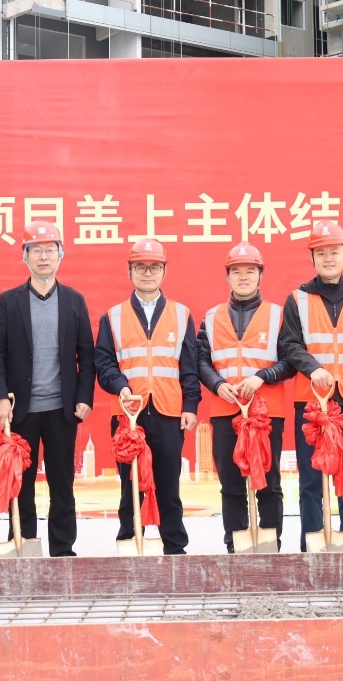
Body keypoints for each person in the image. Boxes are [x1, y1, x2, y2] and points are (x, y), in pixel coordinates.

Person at [0, 222, 95, 557]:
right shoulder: (9, 301)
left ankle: (63, 551)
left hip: (62, 410)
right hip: (21, 411)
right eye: (36, 250)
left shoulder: (74, 300)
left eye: (50, 250)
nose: (43, 257)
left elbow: (86, 353)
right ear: (25, 256)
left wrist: (84, 398)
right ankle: (24, 548)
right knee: (21, 483)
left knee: (62, 484)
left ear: (61, 254)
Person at [280, 220, 343, 553]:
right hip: (311, 402)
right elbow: (290, 345)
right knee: (311, 479)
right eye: (321, 252)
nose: (328, 258)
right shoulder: (297, 299)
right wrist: (314, 369)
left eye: (334, 252)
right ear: (312, 257)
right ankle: (312, 547)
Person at [94, 237, 200, 555]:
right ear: (129, 272)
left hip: (169, 411)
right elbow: (104, 362)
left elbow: (189, 365)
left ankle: (175, 548)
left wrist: (190, 404)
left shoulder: (181, 314)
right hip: (128, 414)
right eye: (140, 267)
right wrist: (121, 387)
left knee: (168, 485)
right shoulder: (112, 317)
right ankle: (130, 543)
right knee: (130, 485)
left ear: (164, 271)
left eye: (154, 267)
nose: (147, 273)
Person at [196, 242, 294, 552]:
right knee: (231, 484)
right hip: (225, 410)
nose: (243, 277)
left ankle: (270, 545)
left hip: (267, 412)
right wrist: (217, 384)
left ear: (260, 275)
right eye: (236, 271)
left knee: (268, 482)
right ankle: (235, 546)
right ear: (227, 276)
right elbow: (200, 360)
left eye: (250, 271)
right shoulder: (211, 317)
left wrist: (261, 376)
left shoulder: (278, 316)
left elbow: (290, 360)